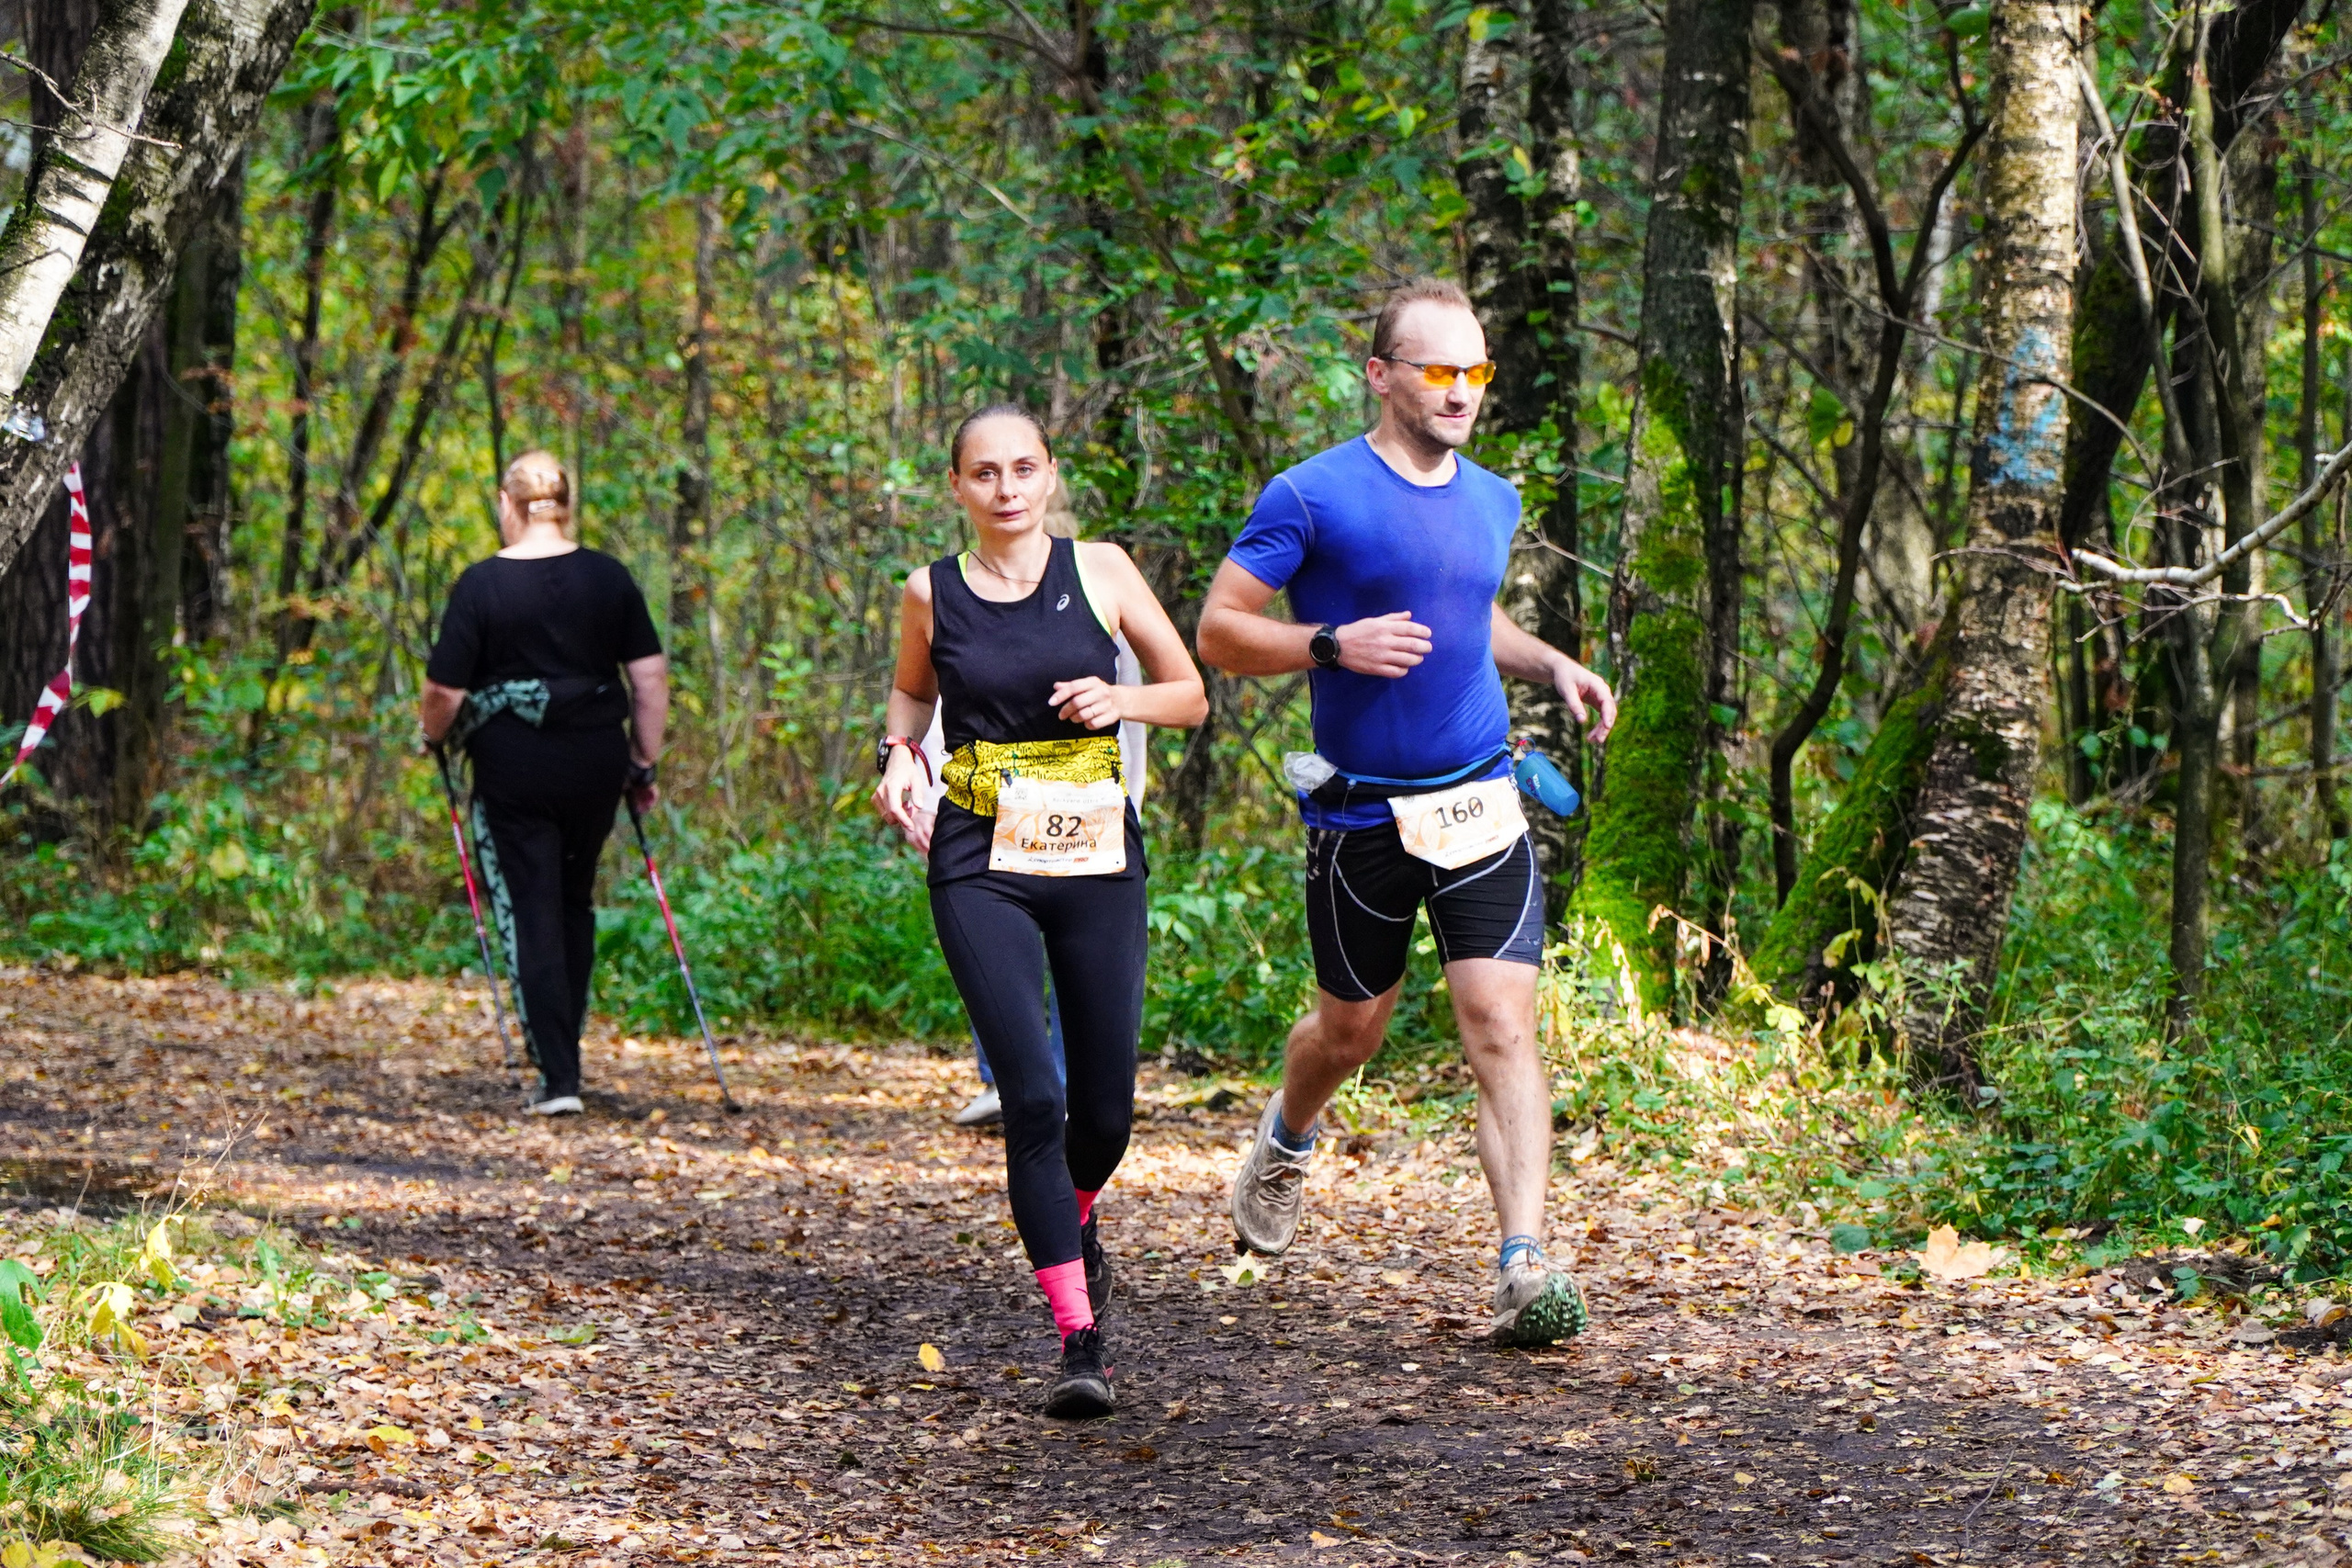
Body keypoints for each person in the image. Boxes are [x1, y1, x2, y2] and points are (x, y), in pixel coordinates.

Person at [1195, 276, 1619, 1348]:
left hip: (1479, 796)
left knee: (1500, 1025)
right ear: (1379, 374)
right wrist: (1331, 644)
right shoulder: (1311, 496)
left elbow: (1468, 612)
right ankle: (1287, 1139)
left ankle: (1523, 1261)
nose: (1459, 389)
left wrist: (1552, 660)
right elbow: (1218, 630)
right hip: (1360, 820)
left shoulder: (1491, 498)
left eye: (1474, 370)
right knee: (1351, 1034)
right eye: (1436, 369)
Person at [874, 404, 1206, 1417]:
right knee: (1032, 1099)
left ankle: (1075, 1218)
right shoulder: (929, 592)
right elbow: (910, 698)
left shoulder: (1100, 570)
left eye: (1024, 469)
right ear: (957, 487)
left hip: (1097, 854)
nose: (1007, 488)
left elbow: (1188, 692)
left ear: (1049, 474)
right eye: (985, 473)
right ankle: (1079, 1340)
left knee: (1103, 1112)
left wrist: (1123, 704)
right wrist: (896, 757)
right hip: (981, 860)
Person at [421, 451, 668, 1117]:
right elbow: (648, 677)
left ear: (507, 502)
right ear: (566, 501)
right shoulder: (608, 578)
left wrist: (433, 735)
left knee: (533, 903)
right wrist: (643, 764)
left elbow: (444, 688)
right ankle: (566, 1052)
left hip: (514, 764)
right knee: (573, 901)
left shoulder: (479, 586)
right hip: (594, 761)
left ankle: (558, 1075)